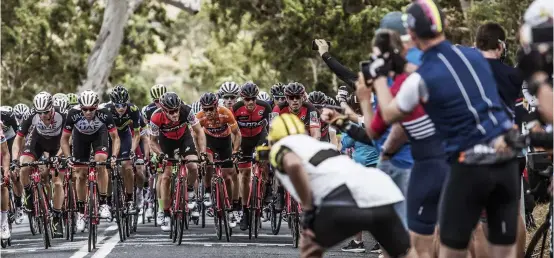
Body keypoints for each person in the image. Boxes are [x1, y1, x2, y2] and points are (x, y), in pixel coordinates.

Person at [366, 1, 519, 257]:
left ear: (412, 35)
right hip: (506, 159)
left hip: (468, 165)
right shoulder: (474, 56)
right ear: (444, 25)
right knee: (502, 252)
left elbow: (390, 114)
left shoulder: (420, 80)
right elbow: (447, 68)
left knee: (451, 251)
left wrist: (379, 76)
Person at [263, 113, 416, 258]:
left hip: (344, 197)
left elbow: (294, 164)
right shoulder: (319, 145)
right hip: (382, 192)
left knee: (310, 247)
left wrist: (309, 208)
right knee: (403, 254)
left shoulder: (281, 146)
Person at [60, 90, 120, 231]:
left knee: (100, 162)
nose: (88, 112)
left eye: (92, 109)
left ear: (97, 106)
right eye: (85, 109)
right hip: (81, 138)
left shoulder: (105, 113)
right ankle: (81, 213)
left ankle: (104, 202)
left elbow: (115, 138)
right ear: (80, 107)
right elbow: (64, 139)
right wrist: (68, 157)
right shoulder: (72, 114)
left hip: (99, 135)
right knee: (80, 174)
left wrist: (114, 157)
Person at [12, 92, 68, 237]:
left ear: (52, 108)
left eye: (46, 112)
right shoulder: (31, 115)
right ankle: (29, 193)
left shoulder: (62, 115)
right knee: (25, 165)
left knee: (57, 182)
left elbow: (68, 139)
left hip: (58, 145)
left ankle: (56, 218)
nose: (43, 115)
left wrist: (59, 156)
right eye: (40, 112)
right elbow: (18, 139)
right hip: (38, 143)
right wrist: (14, 160)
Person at [149, 92, 206, 232]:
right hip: (166, 143)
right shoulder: (156, 117)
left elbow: (199, 132)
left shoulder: (186, 110)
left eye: (177, 110)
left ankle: (190, 190)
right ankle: (166, 213)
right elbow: (152, 142)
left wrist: (203, 153)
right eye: (171, 112)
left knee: (193, 166)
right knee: (166, 176)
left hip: (184, 139)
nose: (175, 114)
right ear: (163, 110)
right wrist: (160, 154)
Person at [196, 92, 242, 227]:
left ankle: (232, 206)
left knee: (228, 175)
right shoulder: (199, 117)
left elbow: (237, 134)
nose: (208, 112)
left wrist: (235, 152)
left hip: (225, 143)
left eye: (211, 108)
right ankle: (208, 190)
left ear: (216, 106)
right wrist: (200, 154)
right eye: (206, 109)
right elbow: (196, 137)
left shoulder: (226, 113)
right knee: (208, 164)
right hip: (209, 142)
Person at [232, 82, 272, 230]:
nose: (250, 102)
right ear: (242, 98)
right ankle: (245, 211)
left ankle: (266, 186)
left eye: (253, 99)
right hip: (243, 141)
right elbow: (233, 133)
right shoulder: (236, 108)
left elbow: (272, 128)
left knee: (265, 160)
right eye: (247, 99)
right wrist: (234, 150)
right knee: (244, 174)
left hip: (260, 137)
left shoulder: (265, 107)